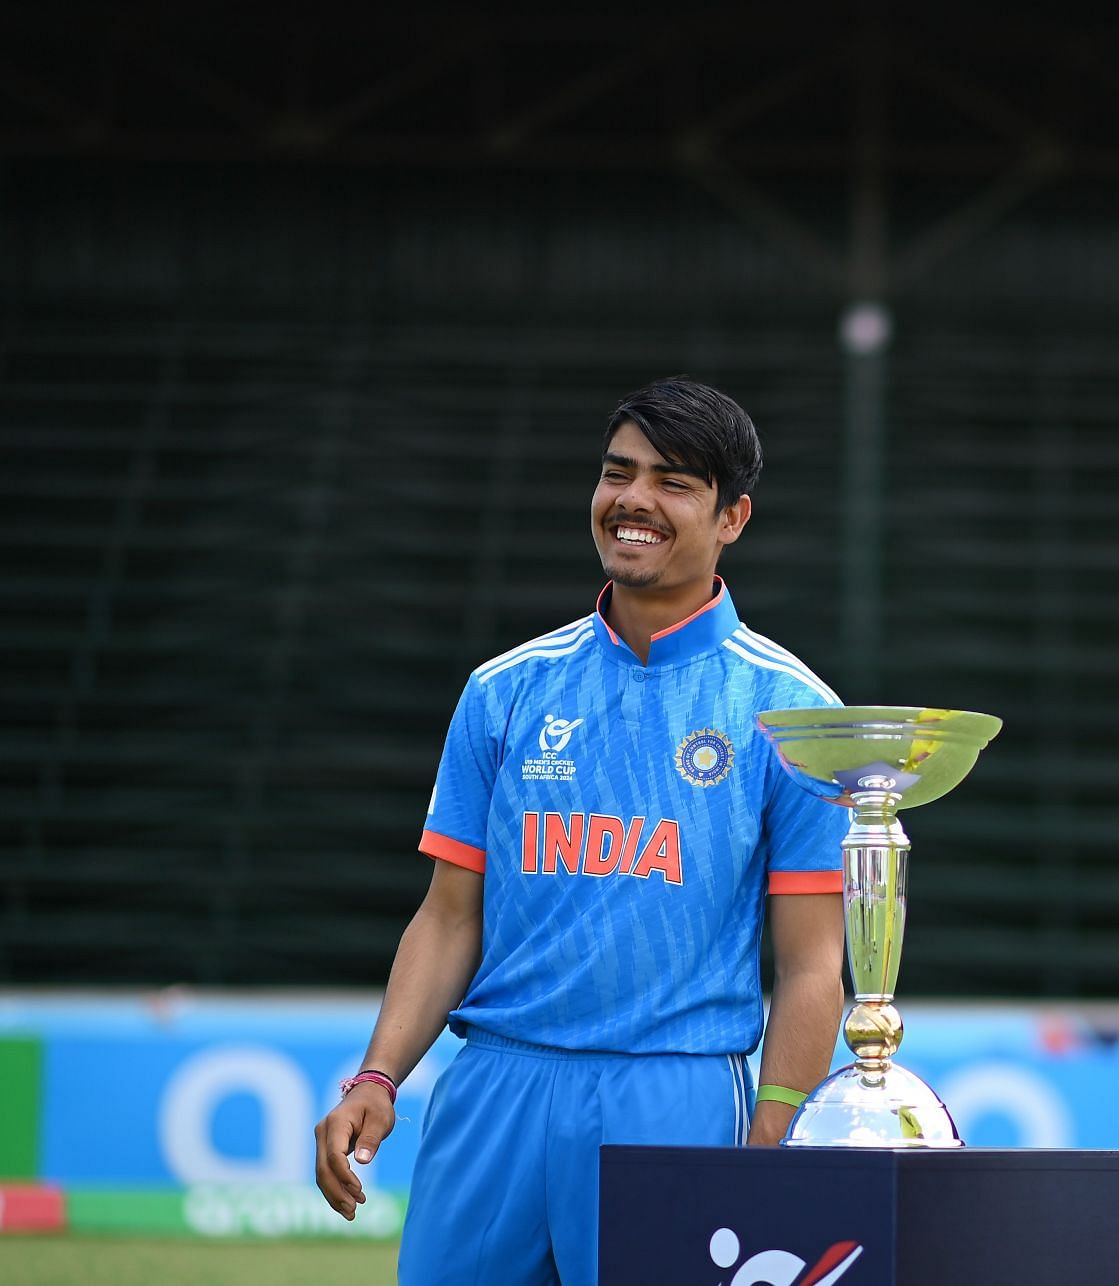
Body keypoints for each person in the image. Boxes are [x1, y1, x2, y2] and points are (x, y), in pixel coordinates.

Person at [314, 377, 848, 1285]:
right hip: (494, 1087)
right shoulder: (505, 689)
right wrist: (377, 1076)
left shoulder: (794, 712)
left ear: (733, 518)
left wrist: (774, 1128)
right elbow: (448, 917)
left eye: (674, 481)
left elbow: (811, 963)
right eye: (618, 473)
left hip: (672, 1093)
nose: (634, 500)